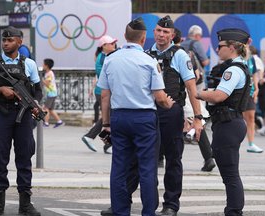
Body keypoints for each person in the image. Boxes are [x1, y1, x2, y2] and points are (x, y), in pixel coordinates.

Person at [97, 17, 174, 216]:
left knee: (119, 166)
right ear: (143, 38)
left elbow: (105, 95)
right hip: (144, 119)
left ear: (125, 36)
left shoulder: (110, 59)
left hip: (119, 118)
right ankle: (148, 212)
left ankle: (120, 211)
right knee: (147, 168)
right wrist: (168, 103)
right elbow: (159, 97)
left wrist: (106, 124)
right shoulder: (149, 61)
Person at [0, 26, 42, 216]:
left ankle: (25, 203)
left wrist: (35, 103)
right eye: (4, 40)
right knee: (0, 156)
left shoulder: (29, 64)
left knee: (24, 156)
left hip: (23, 116)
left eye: (10, 40)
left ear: (19, 42)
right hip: (2, 113)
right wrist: (0, 90)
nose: (6, 43)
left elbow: (38, 90)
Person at [146, 15, 203, 216]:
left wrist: (197, 118)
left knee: (173, 158)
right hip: (149, 111)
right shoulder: (146, 55)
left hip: (171, 112)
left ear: (172, 35)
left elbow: (190, 87)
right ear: (154, 32)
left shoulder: (180, 55)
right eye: (159, 30)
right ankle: (148, 203)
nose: (161, 35)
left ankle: (170, 204)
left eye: (166, 32)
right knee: (146, 159)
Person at [196, 28, 251, 216]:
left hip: (228, 124)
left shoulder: (233, 70)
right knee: (230, 173)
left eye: (221, 46)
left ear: (233, 47)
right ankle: (233, 210)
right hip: (230, 123)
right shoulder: (239, 66)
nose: (217, 49)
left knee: (230, 175)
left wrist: (198, 94)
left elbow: (219, 96)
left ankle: (234, 211)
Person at [174, 28, 216, 172]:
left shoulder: (166, 55)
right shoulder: (189, 55)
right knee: (196, 121)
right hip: (189, 91)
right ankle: (208, 157)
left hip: (172, 94)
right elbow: (197, 76)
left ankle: (160, 158)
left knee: (167, 123)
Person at [81, 35, 117, 153]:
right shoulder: (102, 57)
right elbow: (104, 74)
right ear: (104, 46)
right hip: (102, 91)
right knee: (107, 117)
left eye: (114, 43)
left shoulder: (105, 56)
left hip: (104, 91)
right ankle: (91, 137)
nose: (114, 45)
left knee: (108, 117)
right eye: (111, 43)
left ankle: (106, 144)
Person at [243, 45, 263, 153]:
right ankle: (232, 142)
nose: (247, 47)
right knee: (237, 118)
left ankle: (251, 144)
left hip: (250, 92)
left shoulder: (251, 58)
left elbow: (254, 73)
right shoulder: (235, 58)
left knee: (251, 118)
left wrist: (256, 88)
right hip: (238, 93)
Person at [42, 58, 64, 128]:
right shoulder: (48, 73)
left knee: (46, 108)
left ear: (46, 66)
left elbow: (47, 83)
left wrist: (41, 79)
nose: (42, 65)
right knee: (51, 109)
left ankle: (46, 123)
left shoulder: (49, 74)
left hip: (51, 93)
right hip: (52, 93)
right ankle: (59, 121)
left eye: (43, 64)